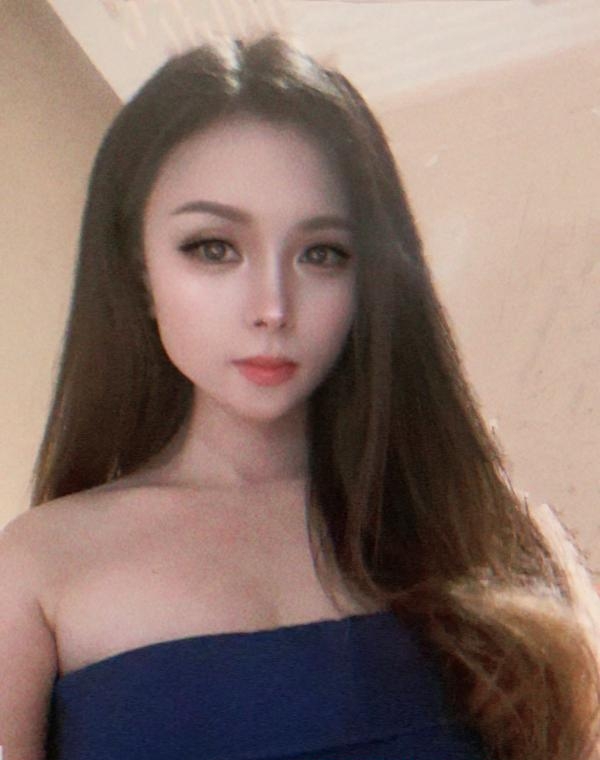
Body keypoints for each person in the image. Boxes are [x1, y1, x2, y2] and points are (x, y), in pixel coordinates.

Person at [0, 33, 598, 760]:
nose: (273, 307)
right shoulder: (37, 569)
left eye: (322, 253)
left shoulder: (478, 534)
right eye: (214, 247)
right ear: (137, 269)